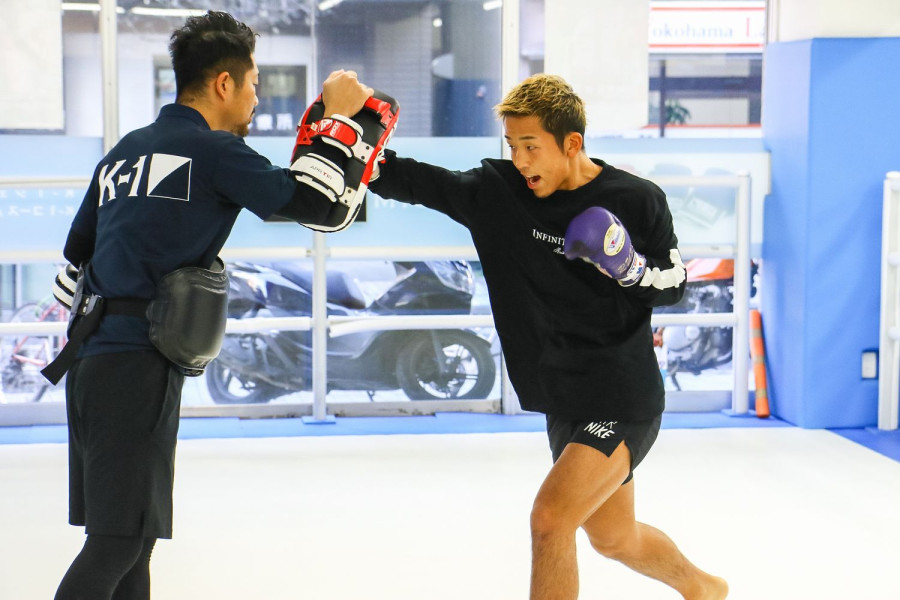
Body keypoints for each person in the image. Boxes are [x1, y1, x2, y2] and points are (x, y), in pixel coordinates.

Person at [51, 11, 374, 599]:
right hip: (135, 366)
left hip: (93, 362)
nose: (255, 98)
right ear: (224, 83)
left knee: (134, 538)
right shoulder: (215, 151)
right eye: (254, 84)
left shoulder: (124, 152)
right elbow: (319, 206)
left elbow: (77, 257)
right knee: (117, 543)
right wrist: (341, 119)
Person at [370, 74, 729, 599]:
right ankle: (704, 588)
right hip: (562, 395)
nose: (519, 160)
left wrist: (629, 268)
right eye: (512, 145)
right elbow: (420, 182)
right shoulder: (499, 196)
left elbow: (674, 284)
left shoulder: (636, 199)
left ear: (572, 143)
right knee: (613, 537)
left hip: (621, 393)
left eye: (531, 146)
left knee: (550, 519)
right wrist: (352, 146)